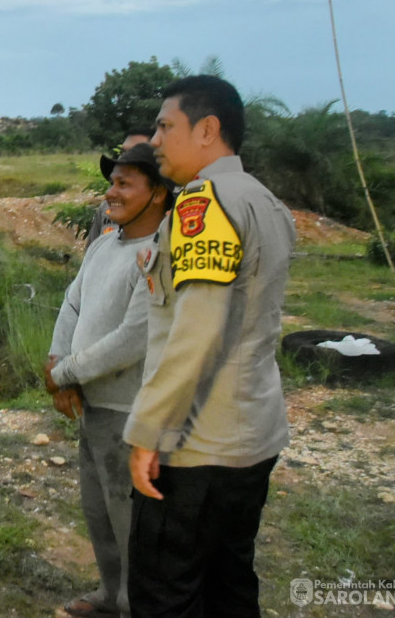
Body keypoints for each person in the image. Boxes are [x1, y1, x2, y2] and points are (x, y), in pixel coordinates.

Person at [124, 76, 295, 618]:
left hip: (197, 447)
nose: (154, 139)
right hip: (252, 439)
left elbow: (196, 330)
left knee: (167, 593)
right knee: (230, 585)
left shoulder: (204, 204)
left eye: (165, 125)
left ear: (208, 130)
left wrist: (149, 432)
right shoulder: (264, 201)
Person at [45, 144, 173, 618]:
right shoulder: (104, 245)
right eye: (112, 182)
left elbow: (135, 337)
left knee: (129, 518)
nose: (110, 192)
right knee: (98, 510)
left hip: (129, 410)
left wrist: (64, 373)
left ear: (158, 193)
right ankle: (109, 593)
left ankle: (133, 604)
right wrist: (59, 363)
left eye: (124, 184)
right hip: (91, 404)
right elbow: (71, 303)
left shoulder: (160, 252)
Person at [86, 129, 154, 244]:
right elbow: (90, 257)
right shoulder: (106, 209)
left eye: (135, 152)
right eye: (123, 152)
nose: (109, 194)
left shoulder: (173, 218)